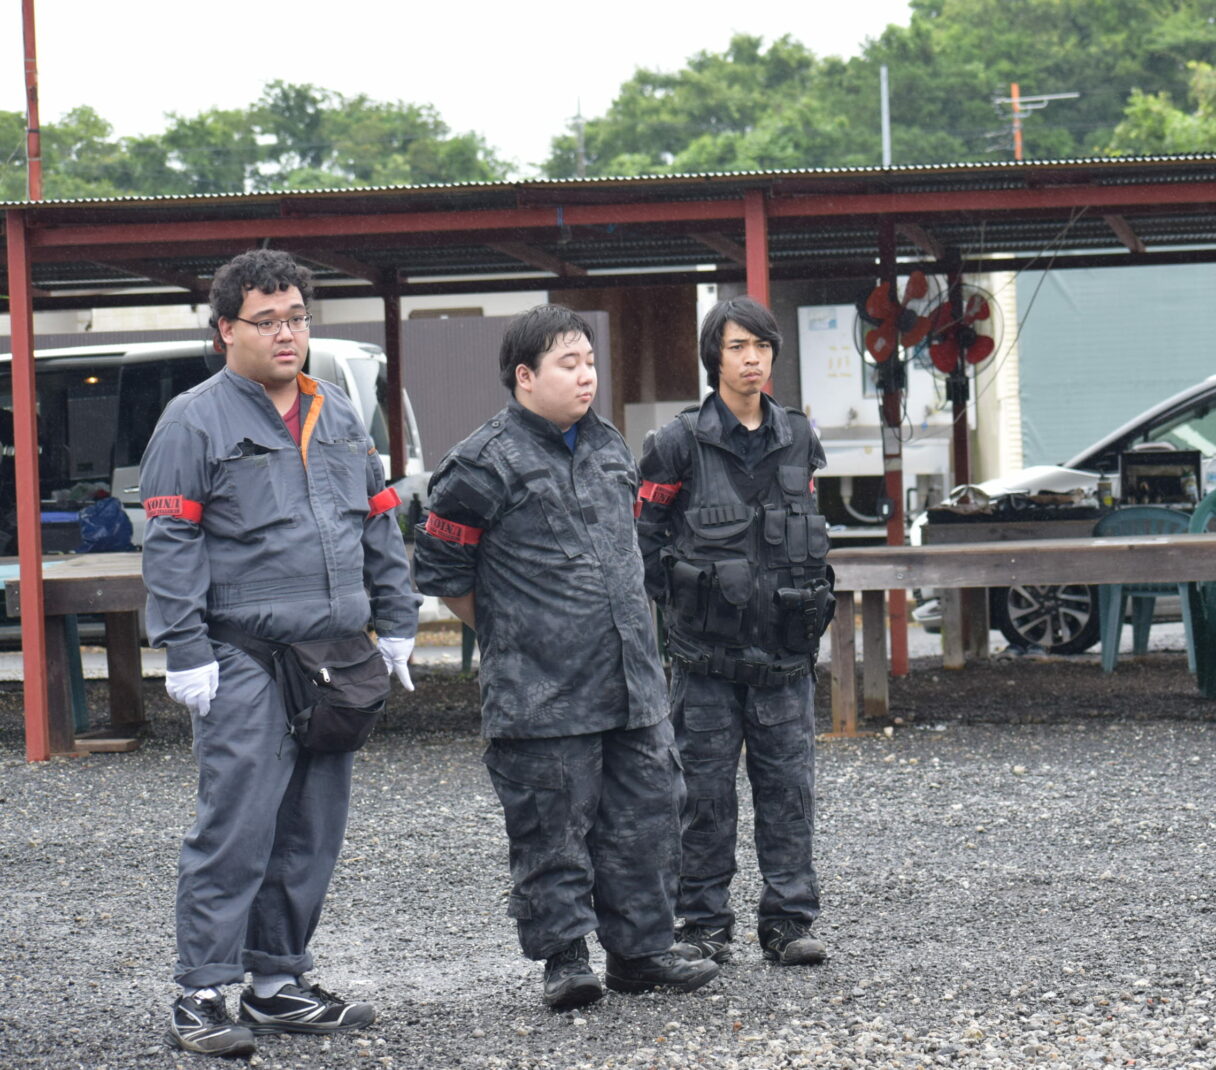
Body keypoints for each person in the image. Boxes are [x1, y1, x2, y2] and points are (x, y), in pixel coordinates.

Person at [141, 250, 419, 1056]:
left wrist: (397, 617)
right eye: (267, 321)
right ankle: (200, 994)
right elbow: (170, 541)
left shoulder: (338, 413)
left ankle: (276, 984)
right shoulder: (193, 421)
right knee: (237, 824)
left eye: (297, 317)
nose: (287, 333)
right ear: (226, 330)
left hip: (333, 658)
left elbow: (377, 520)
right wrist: (185, 647)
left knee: (310, 828)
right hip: (243, 657)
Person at [413, 304, 718, 1011]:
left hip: (631, 684)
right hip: (542, 692)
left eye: (589, 362)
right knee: (551, 828)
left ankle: (640, 954)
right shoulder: (482, 463)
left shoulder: (610, 446)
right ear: (525, 376)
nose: (586, 377)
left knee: (647, 818)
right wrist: (515, 633)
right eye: (568, 364)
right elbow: (443, 572)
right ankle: (565, 960)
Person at [636, 296, 833, 966]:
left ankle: (788, 922)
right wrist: (681, 617)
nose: (752, 359)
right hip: (706, 664)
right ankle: (703, 924)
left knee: (789, 795)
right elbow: (644, 543)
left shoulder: (799, 438)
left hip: (784, 660)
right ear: (713, 357)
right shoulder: (676, 444)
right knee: (702, 798)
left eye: (762, 346)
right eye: (737, 346)